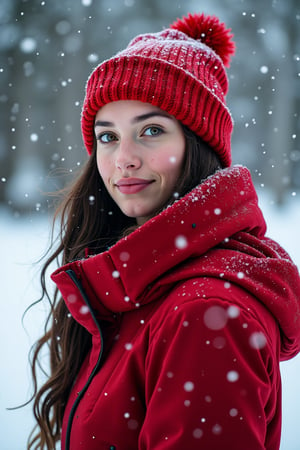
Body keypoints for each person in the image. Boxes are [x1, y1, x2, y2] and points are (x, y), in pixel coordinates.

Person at [28, 12, 300, 450]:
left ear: (199, 145)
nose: (124, 159)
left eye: (151, 131)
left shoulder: (207, 314)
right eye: (108, 137)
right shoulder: (139, 285)